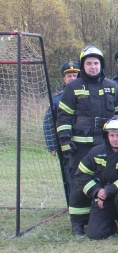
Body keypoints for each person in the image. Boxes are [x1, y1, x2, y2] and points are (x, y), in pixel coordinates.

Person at [57, 45, 118, 235]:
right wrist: (64, 140)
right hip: (82, 144)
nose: (93, 67)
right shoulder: (72, 87)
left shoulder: (112, 86)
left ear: (101, 65)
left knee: (109, 179)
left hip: (107, 144)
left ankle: (108, 216)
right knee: (80, 181)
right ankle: (78, 222)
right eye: (89, 63)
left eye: (96, 63)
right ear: (82, 65)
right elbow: (63, 117)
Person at [73, 116, 118, 242]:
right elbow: (81, 174)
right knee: (95, 234)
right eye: (112, 135)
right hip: (104, 196)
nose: (115, 139)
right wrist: (96, 191)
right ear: (106, 136)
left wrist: (108, 190)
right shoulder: (96, 152)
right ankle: (110, 222)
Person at [43, 60, 80, 205]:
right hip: (66, 145)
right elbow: (48, 123)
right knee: (69, 175)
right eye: (69, 76)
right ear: (64, 79)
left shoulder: (87, 95)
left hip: (85, 143)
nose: (72, 78)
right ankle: (72, 204)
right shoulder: (57, 99)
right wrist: (52, 145)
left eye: (75, 75)